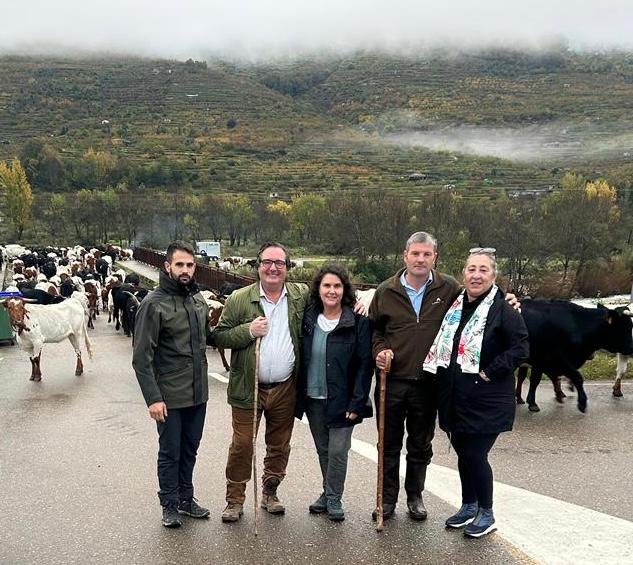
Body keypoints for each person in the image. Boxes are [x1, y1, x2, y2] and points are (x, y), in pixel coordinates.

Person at [424, 249, 529, 538]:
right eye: (471, 269)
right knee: (463, 453)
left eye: (483, 270)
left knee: (475, 454)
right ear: (464, 274)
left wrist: (490, 371)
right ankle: (469, 505)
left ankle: (487, 512)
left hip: (487, 398)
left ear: (493, 275)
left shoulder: (503, 309)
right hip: (456, 397)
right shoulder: (456, 306)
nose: (477, 275)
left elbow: (520, 348)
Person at [213, 242, 309, 523]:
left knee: (279, 445)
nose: (273, 268)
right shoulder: (240, 299)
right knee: (242, 444)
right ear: (258, 266)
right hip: (248, 387)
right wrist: (247, 330)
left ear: (288, 268)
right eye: (268, 262)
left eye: (280, 263)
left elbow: (333, 295)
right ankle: (234, 499)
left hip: (285, 387)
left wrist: (364, 300)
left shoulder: (300, 296)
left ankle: (270, 491)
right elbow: (219, 336)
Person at [369, 231, 461, 522]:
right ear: (405, 255)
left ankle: (415, 495)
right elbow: (374, 331)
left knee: (420, 444)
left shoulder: (449, 289)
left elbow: (475, 309)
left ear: (435, 257)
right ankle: (386, 499)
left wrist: (506, 299)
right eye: (415, 254)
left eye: (426, 254)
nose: (420, 259)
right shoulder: (386, 291)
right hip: (392, 380)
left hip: (428, 382)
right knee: (388, 443)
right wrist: (380, 351)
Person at [132, 241, 211, 528]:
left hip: (198, 393)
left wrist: (247, 331)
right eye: (180, 265)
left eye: (190, 265)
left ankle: (186, 499)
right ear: (167, 266)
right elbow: (141, 358)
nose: (186, 270)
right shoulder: (154, 304)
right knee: (171, 451)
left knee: (190, 448)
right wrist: (153, 398)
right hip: (169, 396)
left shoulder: (197, 299)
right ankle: (169, 503)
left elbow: (209, 339)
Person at [295, 264, 373, 522]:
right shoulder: (308, 319)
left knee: (339, 450)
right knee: (324, 449)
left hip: (343, 399)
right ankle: (327, 492)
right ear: (318, 289)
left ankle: (334, 497)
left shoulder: (357, 321)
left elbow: (364, 364)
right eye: (326, 285)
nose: (332, 291)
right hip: (313, 397)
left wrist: (358, 400)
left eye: (337, 286)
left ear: (345, 290)